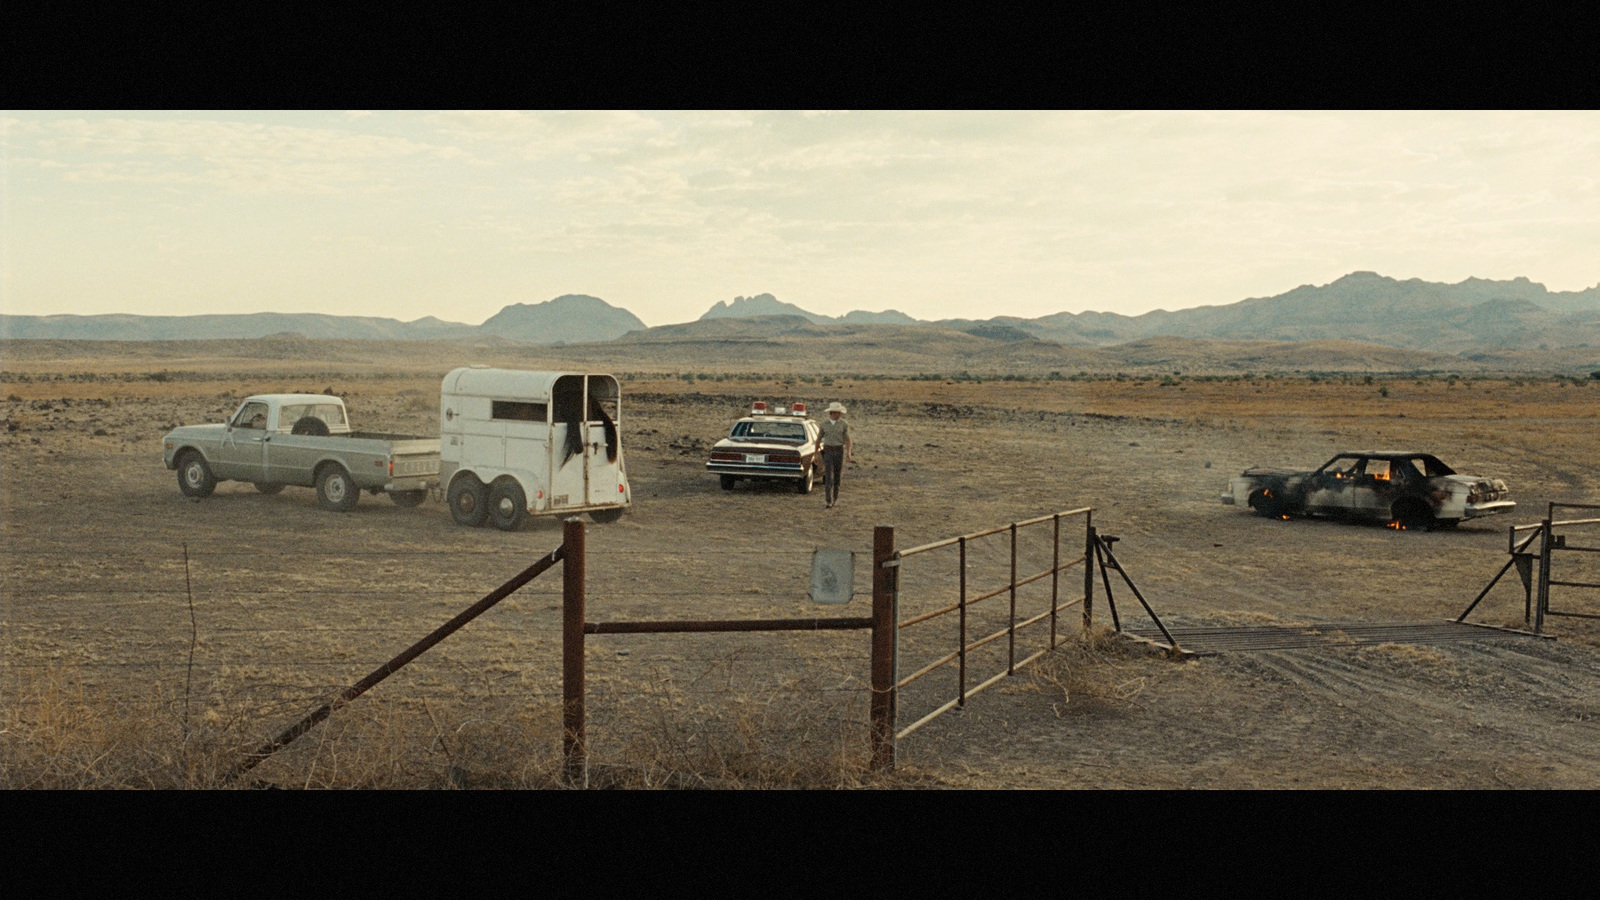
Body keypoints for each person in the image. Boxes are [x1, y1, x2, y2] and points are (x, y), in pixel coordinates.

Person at [818, 401, 853, 509]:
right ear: (832, 413)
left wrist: (848, 453)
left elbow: (848, 440)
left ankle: (835, 498)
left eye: (840, 413)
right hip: (828, 450)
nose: (839, 415)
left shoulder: (844, 424)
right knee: (828, 475)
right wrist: (816, 453)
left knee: (837, 476)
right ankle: (828, 500)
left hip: (839, 451)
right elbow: (818, 439)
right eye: (837, 413)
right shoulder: (824, 424)